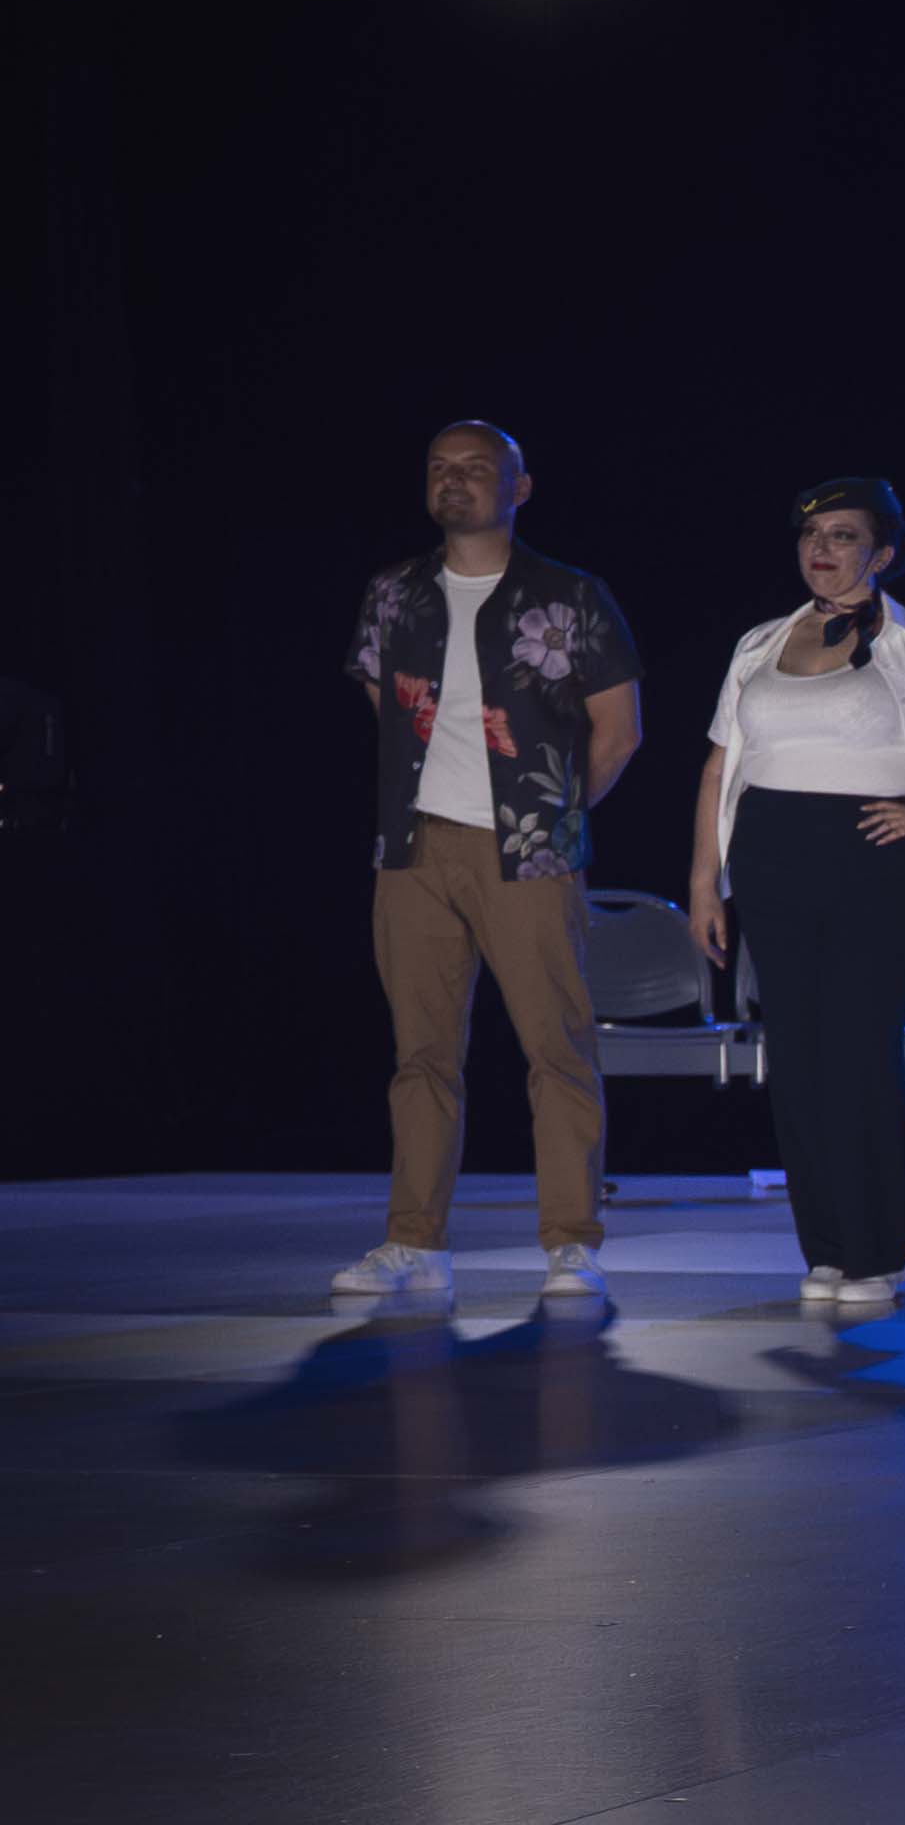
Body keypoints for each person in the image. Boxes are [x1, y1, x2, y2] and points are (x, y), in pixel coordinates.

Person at [681, 478, 905, 1311]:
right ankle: (828, 1249)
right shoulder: (759, 645)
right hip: (771, 863)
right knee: (799, 1060)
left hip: (877, 866)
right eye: (812, 533)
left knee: (855, 1051)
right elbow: (716, 767)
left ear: (880, 553)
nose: (822, 548)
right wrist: (706, 881)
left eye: (843, 535)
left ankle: (879, 1248)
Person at [339, 419, 644, 1313]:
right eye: (440, 468)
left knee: (557, 1048)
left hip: (527, 847)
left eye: (477, 468)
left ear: (520, 486)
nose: (455, 481)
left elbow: (619, 731)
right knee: (420, 1053)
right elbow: (380, 702)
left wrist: (553, 814)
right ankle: (415, 1241)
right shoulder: (394, 592)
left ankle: (572, 1244)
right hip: (415, 848)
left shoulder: (572, 596)